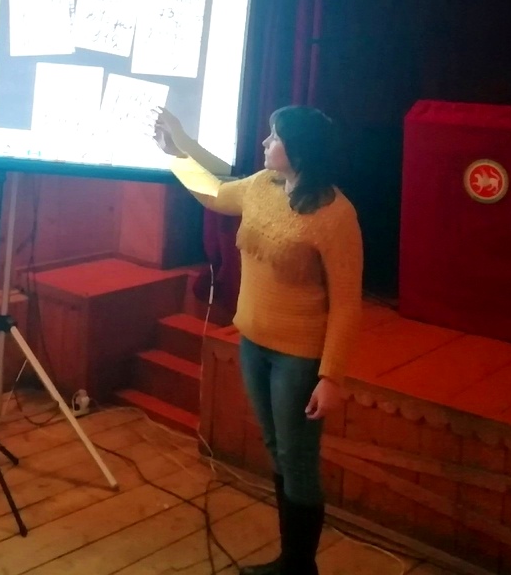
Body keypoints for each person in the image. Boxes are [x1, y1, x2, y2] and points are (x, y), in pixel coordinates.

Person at [153, 105, 363, 575]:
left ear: (300, 151)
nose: (265, 143)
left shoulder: (336, 215)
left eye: (275, 137)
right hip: (253, 344)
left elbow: (347, 303)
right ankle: (291, 562)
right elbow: (214, 193)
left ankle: (299, 566)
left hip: (299, 357)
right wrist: (176, 150)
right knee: (276, 447)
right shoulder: (261, 186)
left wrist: (331, 376)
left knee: (297, 456)